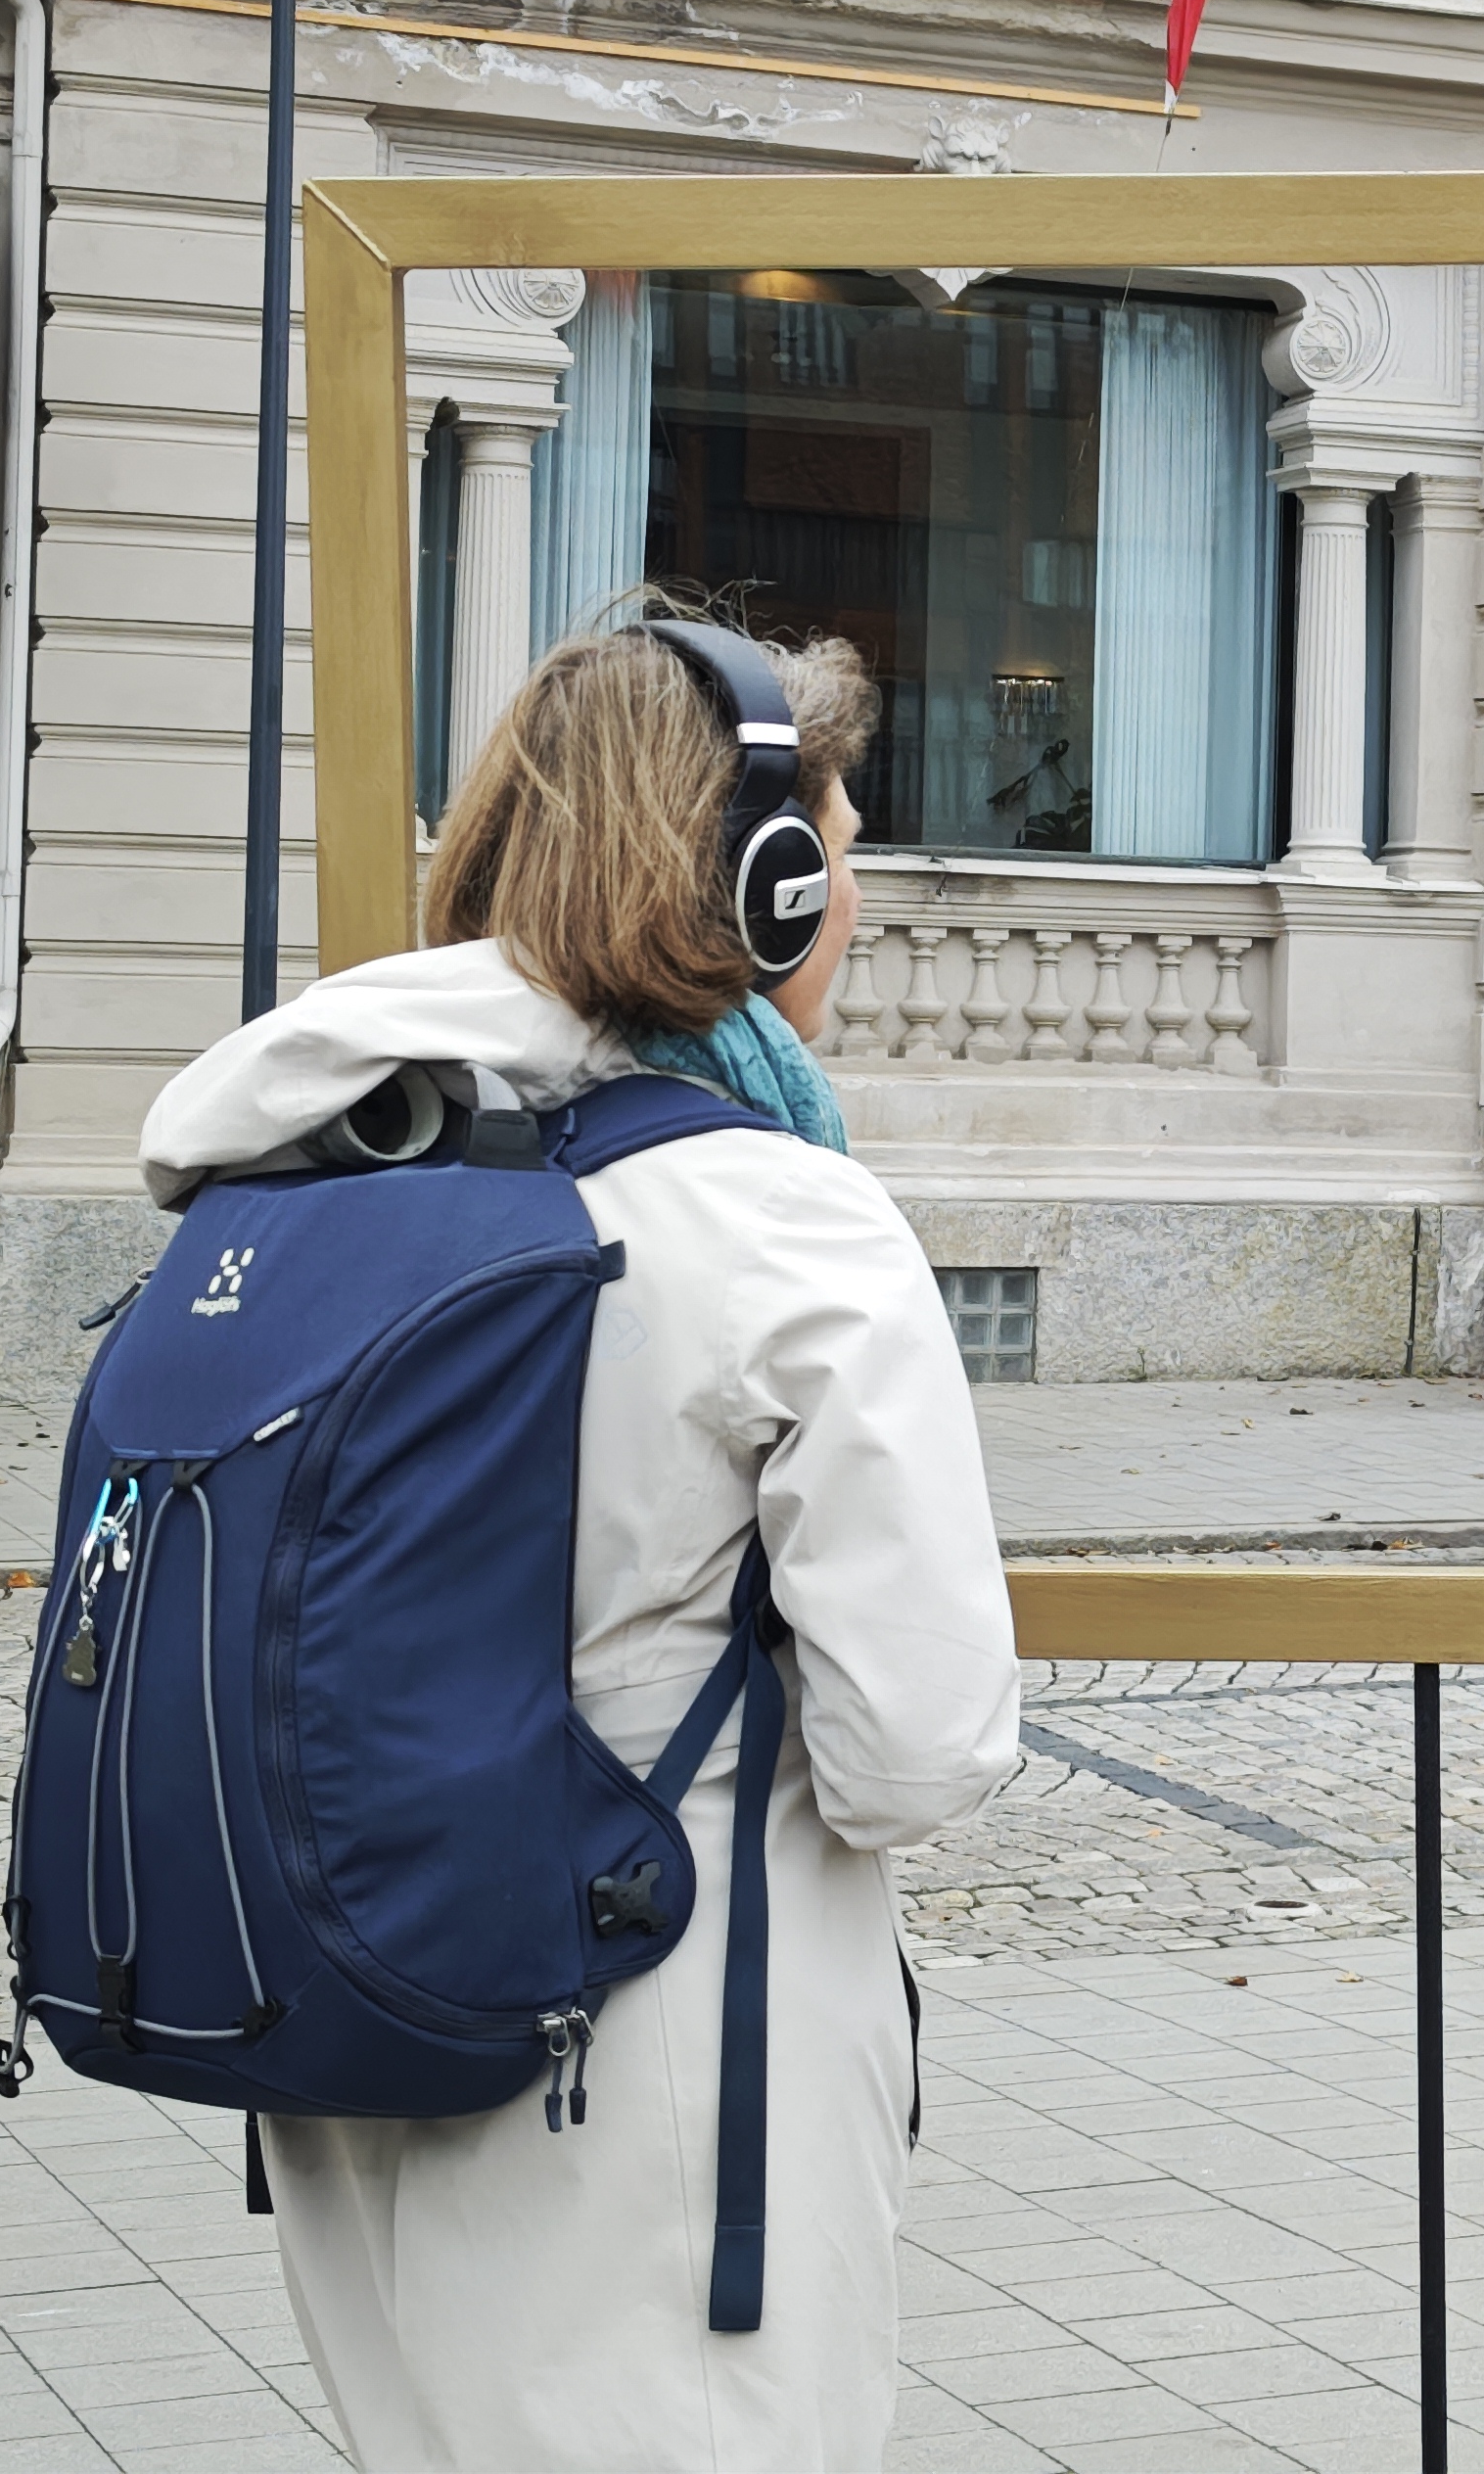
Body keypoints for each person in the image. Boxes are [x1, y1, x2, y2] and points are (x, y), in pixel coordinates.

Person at [137, 621, 1019, 2470]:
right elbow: (916, 1748)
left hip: (342, 2007)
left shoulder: (301, 1166)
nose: (852, 909)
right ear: (764, 887)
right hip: (660, 2051)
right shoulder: (784, 1223)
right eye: (840, 858)